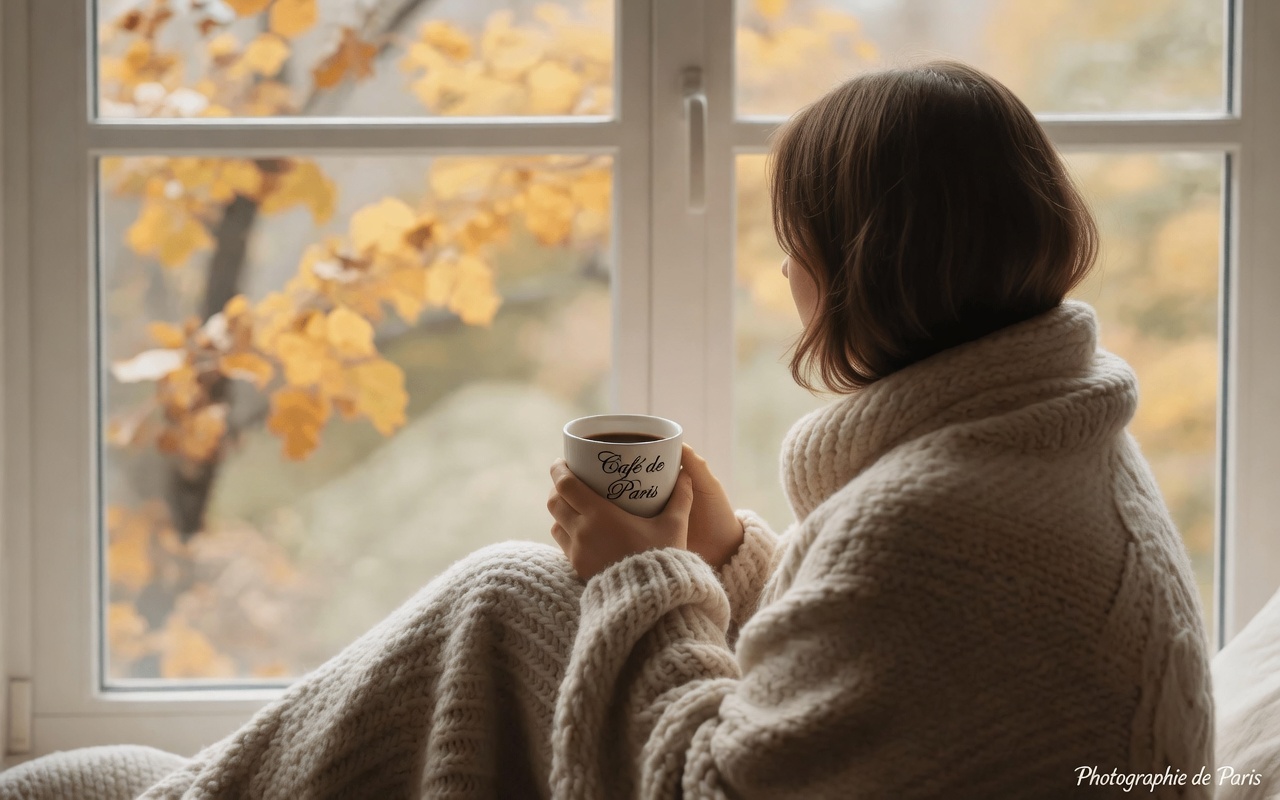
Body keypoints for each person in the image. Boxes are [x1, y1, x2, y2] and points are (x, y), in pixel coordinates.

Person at [0, 60, 1214, 800]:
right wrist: (732, 553)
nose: (786, 276)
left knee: (514, 593)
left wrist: (640, 568)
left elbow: (721, 781)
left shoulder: (931, 516)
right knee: (516, 593)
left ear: (860, 265)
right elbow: (896, 662)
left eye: (797, 247)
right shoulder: (1052, 444)